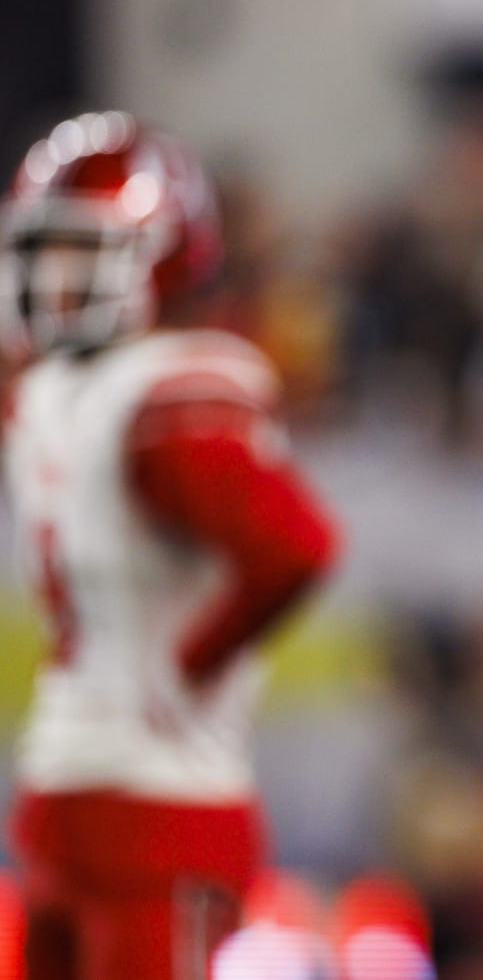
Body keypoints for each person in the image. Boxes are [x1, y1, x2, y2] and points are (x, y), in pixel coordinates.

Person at [1, 112, 339, 980]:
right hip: (67, 785)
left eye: (81, 250)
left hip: (160, 798)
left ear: (163, 250)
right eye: (42, 251)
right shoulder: (57, 386)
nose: (53, 277)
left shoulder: (167, 390)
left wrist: (188, 667)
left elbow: (293, 547)